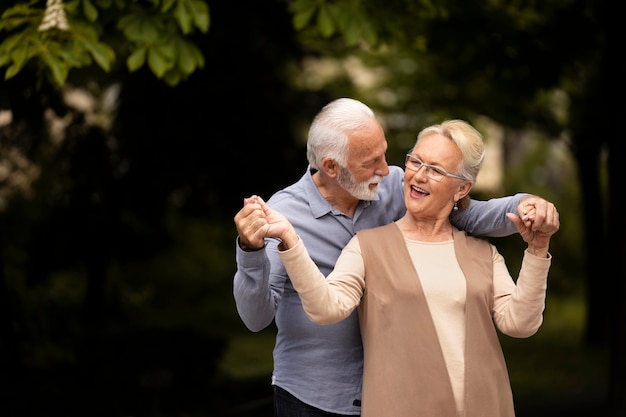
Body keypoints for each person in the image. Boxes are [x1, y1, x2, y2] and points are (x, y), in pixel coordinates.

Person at [233, 99, 558, 417]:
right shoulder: (284, 214)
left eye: (386, 154)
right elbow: (257, 317)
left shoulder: (393, 187)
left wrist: (526, 206)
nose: (387, 169)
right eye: (371, 162)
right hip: (314, 397)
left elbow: (466, 214)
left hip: (393, 392)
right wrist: (251, 251)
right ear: (332, 167)